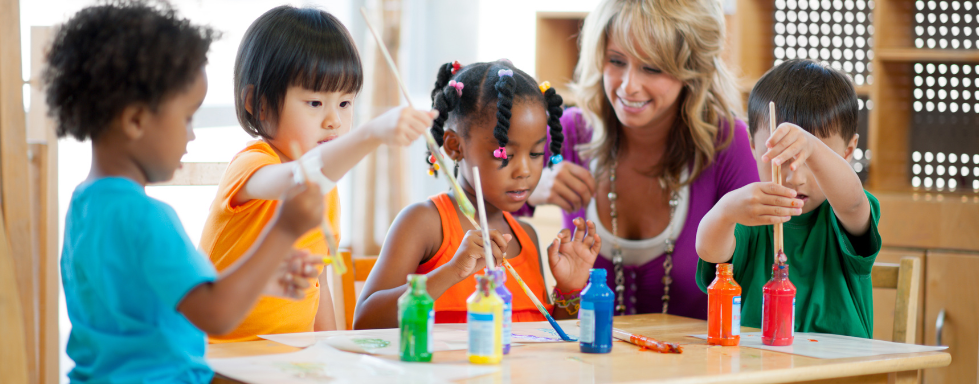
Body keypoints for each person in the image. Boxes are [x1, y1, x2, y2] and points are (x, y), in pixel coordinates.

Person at [51, 2, 323, 381]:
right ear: (135, 120)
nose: (191, 134)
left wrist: (263, 277)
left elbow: (160, 298)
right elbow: (218, 315)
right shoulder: (146, 217)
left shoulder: (84, 205)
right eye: (187, 117)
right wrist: (286, 228)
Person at [198, 6, 436, 341]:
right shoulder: (252, 164)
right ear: (257, 103)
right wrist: (370, 134)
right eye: (314, 103)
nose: (334, 121)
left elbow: (318, 282)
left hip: (290, 359)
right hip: (221, 356)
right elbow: (299, 178)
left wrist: (332, 348)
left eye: (345, 103)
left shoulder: (326, 186)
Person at [517, 0, 758, 318]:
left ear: (692, 70)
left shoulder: (727, 142)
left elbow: (758, 268)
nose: (628, 86)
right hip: (589, 360)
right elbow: (470, 203)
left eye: (652, 67)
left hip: (702, 365)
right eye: (616, 61)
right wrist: (532, 188)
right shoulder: (569, 132)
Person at [354, 61, 601, 328]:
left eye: (536, 153)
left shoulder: (527, 237)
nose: (524, 171)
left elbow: (548, 340)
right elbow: (366, 321)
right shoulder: (423, 223)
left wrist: (570, 289)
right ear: (454, 146)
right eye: (504, 153)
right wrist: (452, 271)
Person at [696, 59, 881, 338]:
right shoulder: (748, 217)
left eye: (813, 159)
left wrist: (812, 146)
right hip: (758, 370)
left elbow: (853, 202)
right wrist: (724, 212)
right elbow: (709, 252)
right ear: (753, 146)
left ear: (848, 151)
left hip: (840, 372)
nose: (795, 177)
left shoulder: (843, 214)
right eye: (781, 157)